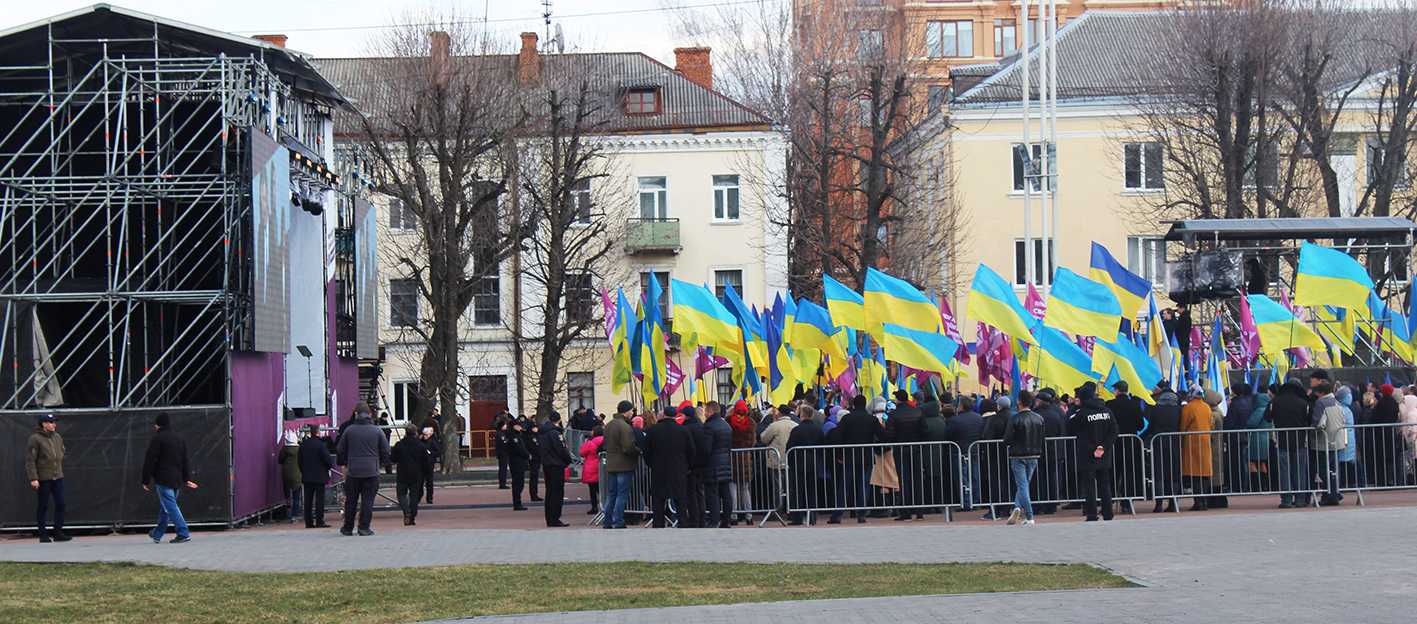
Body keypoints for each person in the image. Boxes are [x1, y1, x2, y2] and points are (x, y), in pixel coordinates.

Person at [141, 413, 198, 543]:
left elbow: (150, 460)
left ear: (157, 425)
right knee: (166, 506)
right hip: (177, 479)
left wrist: (145, 480)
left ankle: (183, 533)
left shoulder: (157, 439)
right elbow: (185, 460)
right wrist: (186, 478)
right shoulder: (179, 438)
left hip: (163, 479)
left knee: (171, 506)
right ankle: (157, 533)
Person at [336, 403, 390, 536]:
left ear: (356, 414)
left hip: (353, 471)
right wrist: (381, 463)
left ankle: (348, 528)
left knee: (351, 501)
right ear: (370, 415)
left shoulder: (349, 430)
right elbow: (386, 450)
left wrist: (345, 463)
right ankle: (364, 527)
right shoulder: (377, 430)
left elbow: (340, 450)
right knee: (368, 501)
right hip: (371, 470)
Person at [829, 394, 884, 523]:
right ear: (865, 404)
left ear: (854, 404)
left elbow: (837, 435)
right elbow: (883, 435)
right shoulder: (872, 419)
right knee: (864, 486)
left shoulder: (847, 419)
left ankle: (838, 514)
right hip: (866, 457)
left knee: (845, 486)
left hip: (849, 457)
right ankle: (861, 514)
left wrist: (839, 452)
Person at [1071, 383, 1118, 522]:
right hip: (1103, 454)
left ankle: (1092, 514)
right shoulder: (1107, 411)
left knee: (1089, 486)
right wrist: (1103, 447)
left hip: (1087, 454)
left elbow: (1070, 427)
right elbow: (1114, 431)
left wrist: (1075, 407)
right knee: (1105, 484)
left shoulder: (1082, 413)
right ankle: (1108, 513)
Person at [643, 406, 696, 528]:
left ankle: (658, 523)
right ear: (674, 416)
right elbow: (691, 451)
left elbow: (646, 451)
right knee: (680, 498)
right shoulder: (683, 430)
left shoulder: (653, 430)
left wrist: (651, 464)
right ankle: (683, 522)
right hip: (679, 469)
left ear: (663, 415)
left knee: (658, 499)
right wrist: (687, 466)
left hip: (658, 469)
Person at [1002, 390, 1044, 526]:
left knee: (1022, 485)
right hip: (1034, 454)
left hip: (1018, 455)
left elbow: (1007, 439)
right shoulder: (1039, 418)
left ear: (1019, 401)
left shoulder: (1014, 418)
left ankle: (1030, 516)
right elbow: (1042, 437)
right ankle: (1017, 507)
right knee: (1024, 485)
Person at [26, 414, 69, 543]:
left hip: (58, 477)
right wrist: (33, 478)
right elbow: (30, 460)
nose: (54, 424)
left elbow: (61, 451)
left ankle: (58, 532)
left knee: (61, 503)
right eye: (50, 422)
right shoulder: (35, 439)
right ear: (43, 424)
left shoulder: (57, 437)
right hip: (43, 478)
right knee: (43, 506)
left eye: (54, 422)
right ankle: (43, 534)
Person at [1270, 379, 1314, 507]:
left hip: (1282, 440)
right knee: (1300, 469)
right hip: (1300, 440)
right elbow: (1310, 419)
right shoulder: (1303, 402)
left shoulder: (1275, 401)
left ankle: (1286, 499)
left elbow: (1267, 416)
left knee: (1284, 470)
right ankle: (1300, 498)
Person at [886, 389, 925, 520]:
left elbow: (890, 434)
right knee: (917, 479)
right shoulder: (917, 411)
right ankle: (919, 511)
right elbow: (924, 430)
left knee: (904, 480)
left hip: (900, 450)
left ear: (898, 399)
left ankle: (905, 511)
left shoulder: (894, 414)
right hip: (916, 449)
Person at [601, 401, 639, 529]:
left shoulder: (609, 425)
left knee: (611, 494)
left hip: (611, 463)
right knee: (621, 494)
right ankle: (618, 521)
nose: (633, 413)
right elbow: (628, 447)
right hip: (624, 464)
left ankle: (607, 521)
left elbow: (605, 444)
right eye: (632, 411)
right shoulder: (624, 426)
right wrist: (637, 451)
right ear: (627, 411)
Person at [1146, 383, 1183, 512]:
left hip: (1158, 442)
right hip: (1174, 443)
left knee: (1159, 473)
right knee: (1174, 473)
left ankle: (1159, 504)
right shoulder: (1179, 409)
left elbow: (1150, 427)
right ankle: (1173, 503)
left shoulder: (1156, 409)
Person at [785, 406, 825, 525]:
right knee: (812, 491)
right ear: (811, 415)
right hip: (814, 463)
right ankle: (811, 517)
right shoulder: (818, 430)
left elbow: (789, 447)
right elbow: (823, 445)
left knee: (798, 491)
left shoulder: (797, 430)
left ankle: (797, 518)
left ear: (802, 415)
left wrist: (791, 462)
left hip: (799, 463)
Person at [945, 397, 984, 512]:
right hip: (974, 451)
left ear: (961, 406)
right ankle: (975, 501)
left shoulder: (955, 420)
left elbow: (947, 435)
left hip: (960, 451)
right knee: (974, 477)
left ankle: (966, 503)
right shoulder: (979, 418)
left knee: (962, 478)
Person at [760, 405, 799, 519]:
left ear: (780, 413)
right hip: (791, 460)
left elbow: (763, 438)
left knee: (777, 487)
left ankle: (778, 510)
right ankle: (790, 510)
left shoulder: (775, 425)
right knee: (790, 486)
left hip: (776, 460)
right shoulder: (795, 425)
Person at [1312, 381, 1347, 506]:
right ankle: (1334, 492)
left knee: (1323, 469)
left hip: (1323, 441)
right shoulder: (1338, 403)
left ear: (1321, 392)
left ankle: (1332, 494)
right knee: (1334, 469)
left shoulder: (1320, 403)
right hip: (1337, 440)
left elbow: (1318, 423)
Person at [1179, 387, 1214, 511]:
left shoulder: (1188, 407)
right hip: (1205, 442)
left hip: (1192, 442)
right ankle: (1204, 500)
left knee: (1194, 474)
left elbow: (1183, 425)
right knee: (1204, 474)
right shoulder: (1207, 407)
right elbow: (1212, 424)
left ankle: (1198, 501)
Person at [538, 411, 575, 527]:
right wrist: (569, 460)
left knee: (549, 492)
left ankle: (549, 518)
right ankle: (555, 518)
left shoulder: (542, 432)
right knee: (557, 492)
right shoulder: (555, 433)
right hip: (557, 465)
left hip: (547, 464)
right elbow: (561, 449)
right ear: (558, 420)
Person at [702, 402, 734, 528]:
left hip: (712, 464)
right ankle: (726, 520)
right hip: (725, 463)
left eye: (706, 411)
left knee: (712, 494)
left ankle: (714, 520)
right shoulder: (726, 425)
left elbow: (706, 448)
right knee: (726, 493)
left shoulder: (709, 427)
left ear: (710, 411)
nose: (704, 413)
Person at [680, 405, 712, 528]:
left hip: (690, 466)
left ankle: (694, 519)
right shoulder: (701, 426)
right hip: (702, 465)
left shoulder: (686, 428)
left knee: (691, 493)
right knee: (700, 492)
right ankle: (702, 519)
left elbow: (686, 448)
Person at [391, 424, 429, 525]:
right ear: (415, 433)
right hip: (416, 474)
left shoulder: (399, 445)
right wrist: (425, 473)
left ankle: (406, 511)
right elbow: (426, 461)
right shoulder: (421, 445)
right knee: (414, 495)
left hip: (402, 473)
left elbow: (393, 458)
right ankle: (412, 514)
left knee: (401, 494)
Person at [297, 424, 333, 528]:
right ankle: (319, 521)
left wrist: (303, 471)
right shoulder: (321, 445)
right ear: (318, 432)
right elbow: (328, 460)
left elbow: (299, 460)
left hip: (307, 476)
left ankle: (308, 522)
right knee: (319, 500)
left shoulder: (304, 444)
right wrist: (326, 468)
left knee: (307, 500)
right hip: (320, 476)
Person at [728, 400, 757, 525]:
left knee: (732, 488)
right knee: (745, 488)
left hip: (732, 458)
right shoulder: (751, 423)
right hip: (745, 458)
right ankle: (749, 516)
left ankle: (733, 515)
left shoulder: (729, 420)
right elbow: (752, 442)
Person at [501, 418, 531, 510]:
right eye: (518, 426)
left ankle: (518, 502)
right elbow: (519, 448)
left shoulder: (518, 435)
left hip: (519, 461)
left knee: (519, 483)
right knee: (518, 483)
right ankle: (517, 503)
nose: (520, 427)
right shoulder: (513, 436)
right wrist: (527, 455)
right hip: (516, 461)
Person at [1204, 389, 1228, 509]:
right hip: (1216, 445)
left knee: (1215, 474)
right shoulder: (1218, 412)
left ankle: (1216, 499)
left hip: (1213, 446)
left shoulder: (1213, 414)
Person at [277, 430, 303, 523]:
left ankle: (288, 513)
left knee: (287, 495)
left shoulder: (284, 449)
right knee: (296, 496)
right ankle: (295, 515)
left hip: (285, 474)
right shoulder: (299, 450)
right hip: (297, 474)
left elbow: (280, 460)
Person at [579, 424, 604, 516]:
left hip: (591, 466)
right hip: (602, 466)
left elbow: (582, 453)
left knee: (592, 489)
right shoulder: (606, 440)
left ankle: (594, 507)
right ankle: (605, 505)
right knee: (602, 489)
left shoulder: (590, 442)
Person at [521, 415, 543, 502]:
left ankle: (535, 494)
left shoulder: (536, 435)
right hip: (533, 459)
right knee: (533, 477)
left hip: (537, 458)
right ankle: (533, 495)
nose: (536, 429)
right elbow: (530, 448)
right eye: (535, 428)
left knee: (535, 477)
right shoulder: (528, 437)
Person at [423, 411, 443, 504]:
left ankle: (422, 495)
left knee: (422, 480)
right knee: (429, 480)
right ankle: (429, 497)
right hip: (430, 461)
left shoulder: (424, 422)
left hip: (424, 461)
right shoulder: (435, 422)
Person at [494, 413, 511, 489]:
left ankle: (503, 483)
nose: (506, 426)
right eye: (504, 425)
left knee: (504, 468)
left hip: (504, 453)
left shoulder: (503, 433)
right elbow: (503, 443)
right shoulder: (499, 434)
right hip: (502, 453)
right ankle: (502, 483)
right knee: (503, 469)